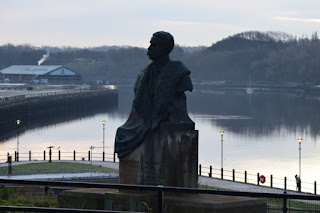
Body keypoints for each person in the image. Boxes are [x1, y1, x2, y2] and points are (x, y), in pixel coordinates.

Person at [114, 31, 193, 158]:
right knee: (122, 132)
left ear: (164, 48)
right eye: (150, 44)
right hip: (146, 120)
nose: (149, 49)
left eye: (154, 45)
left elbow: (178, 104)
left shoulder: (180, 74)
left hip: (168, 122)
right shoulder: (143, 74)